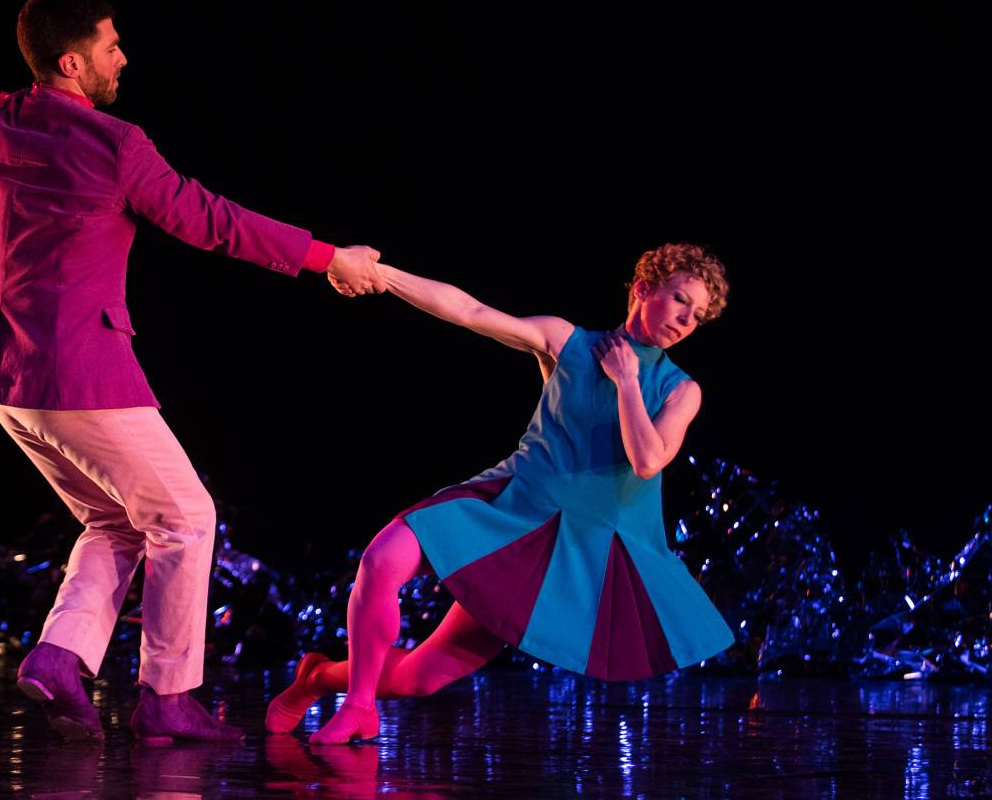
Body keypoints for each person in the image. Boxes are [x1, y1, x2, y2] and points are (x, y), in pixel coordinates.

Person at [0, 0, 386, 742]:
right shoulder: (116, 147)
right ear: (73, 63)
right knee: (187, 517)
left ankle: (56, 659)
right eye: (111, 46)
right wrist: (325, 257)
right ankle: (167, 699)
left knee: (115, 521)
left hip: (6, 376)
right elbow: (210, 220)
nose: (123, 57)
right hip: (77, 370)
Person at [268, 242, 736, 743]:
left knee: (419, 678)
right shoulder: (567, 341)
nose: (688, 320)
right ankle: (359, 704)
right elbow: (470, 311)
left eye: (699, 315)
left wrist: (626, 381)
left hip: (567, 552)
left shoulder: (680, 390)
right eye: (681, 300)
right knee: (382, 559)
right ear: (645, 289)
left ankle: (317, 678)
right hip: (508, 504)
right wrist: (382, 276)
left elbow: (647, 461)